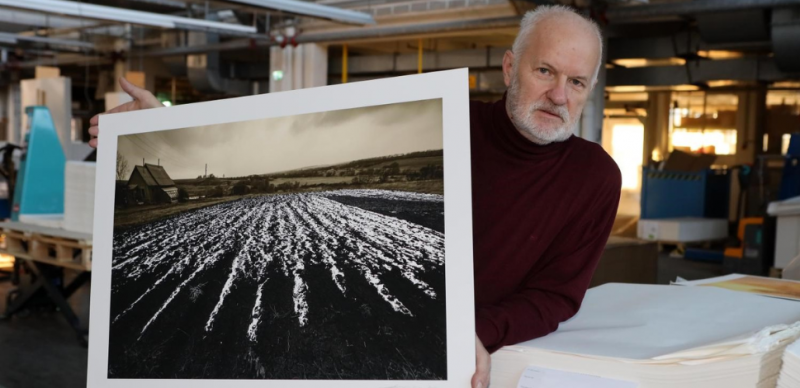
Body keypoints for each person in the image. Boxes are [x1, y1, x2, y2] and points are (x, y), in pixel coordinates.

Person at [89, 5, 620, 387]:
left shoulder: (594, 178)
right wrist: (157, 126)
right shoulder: (450, 118)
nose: (558, 94)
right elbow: (279, 119)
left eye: (576, 82)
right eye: (545, 70)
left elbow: (556, 294)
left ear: (588, 90)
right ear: (510, 67)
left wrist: (473, 333)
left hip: (466, 363)